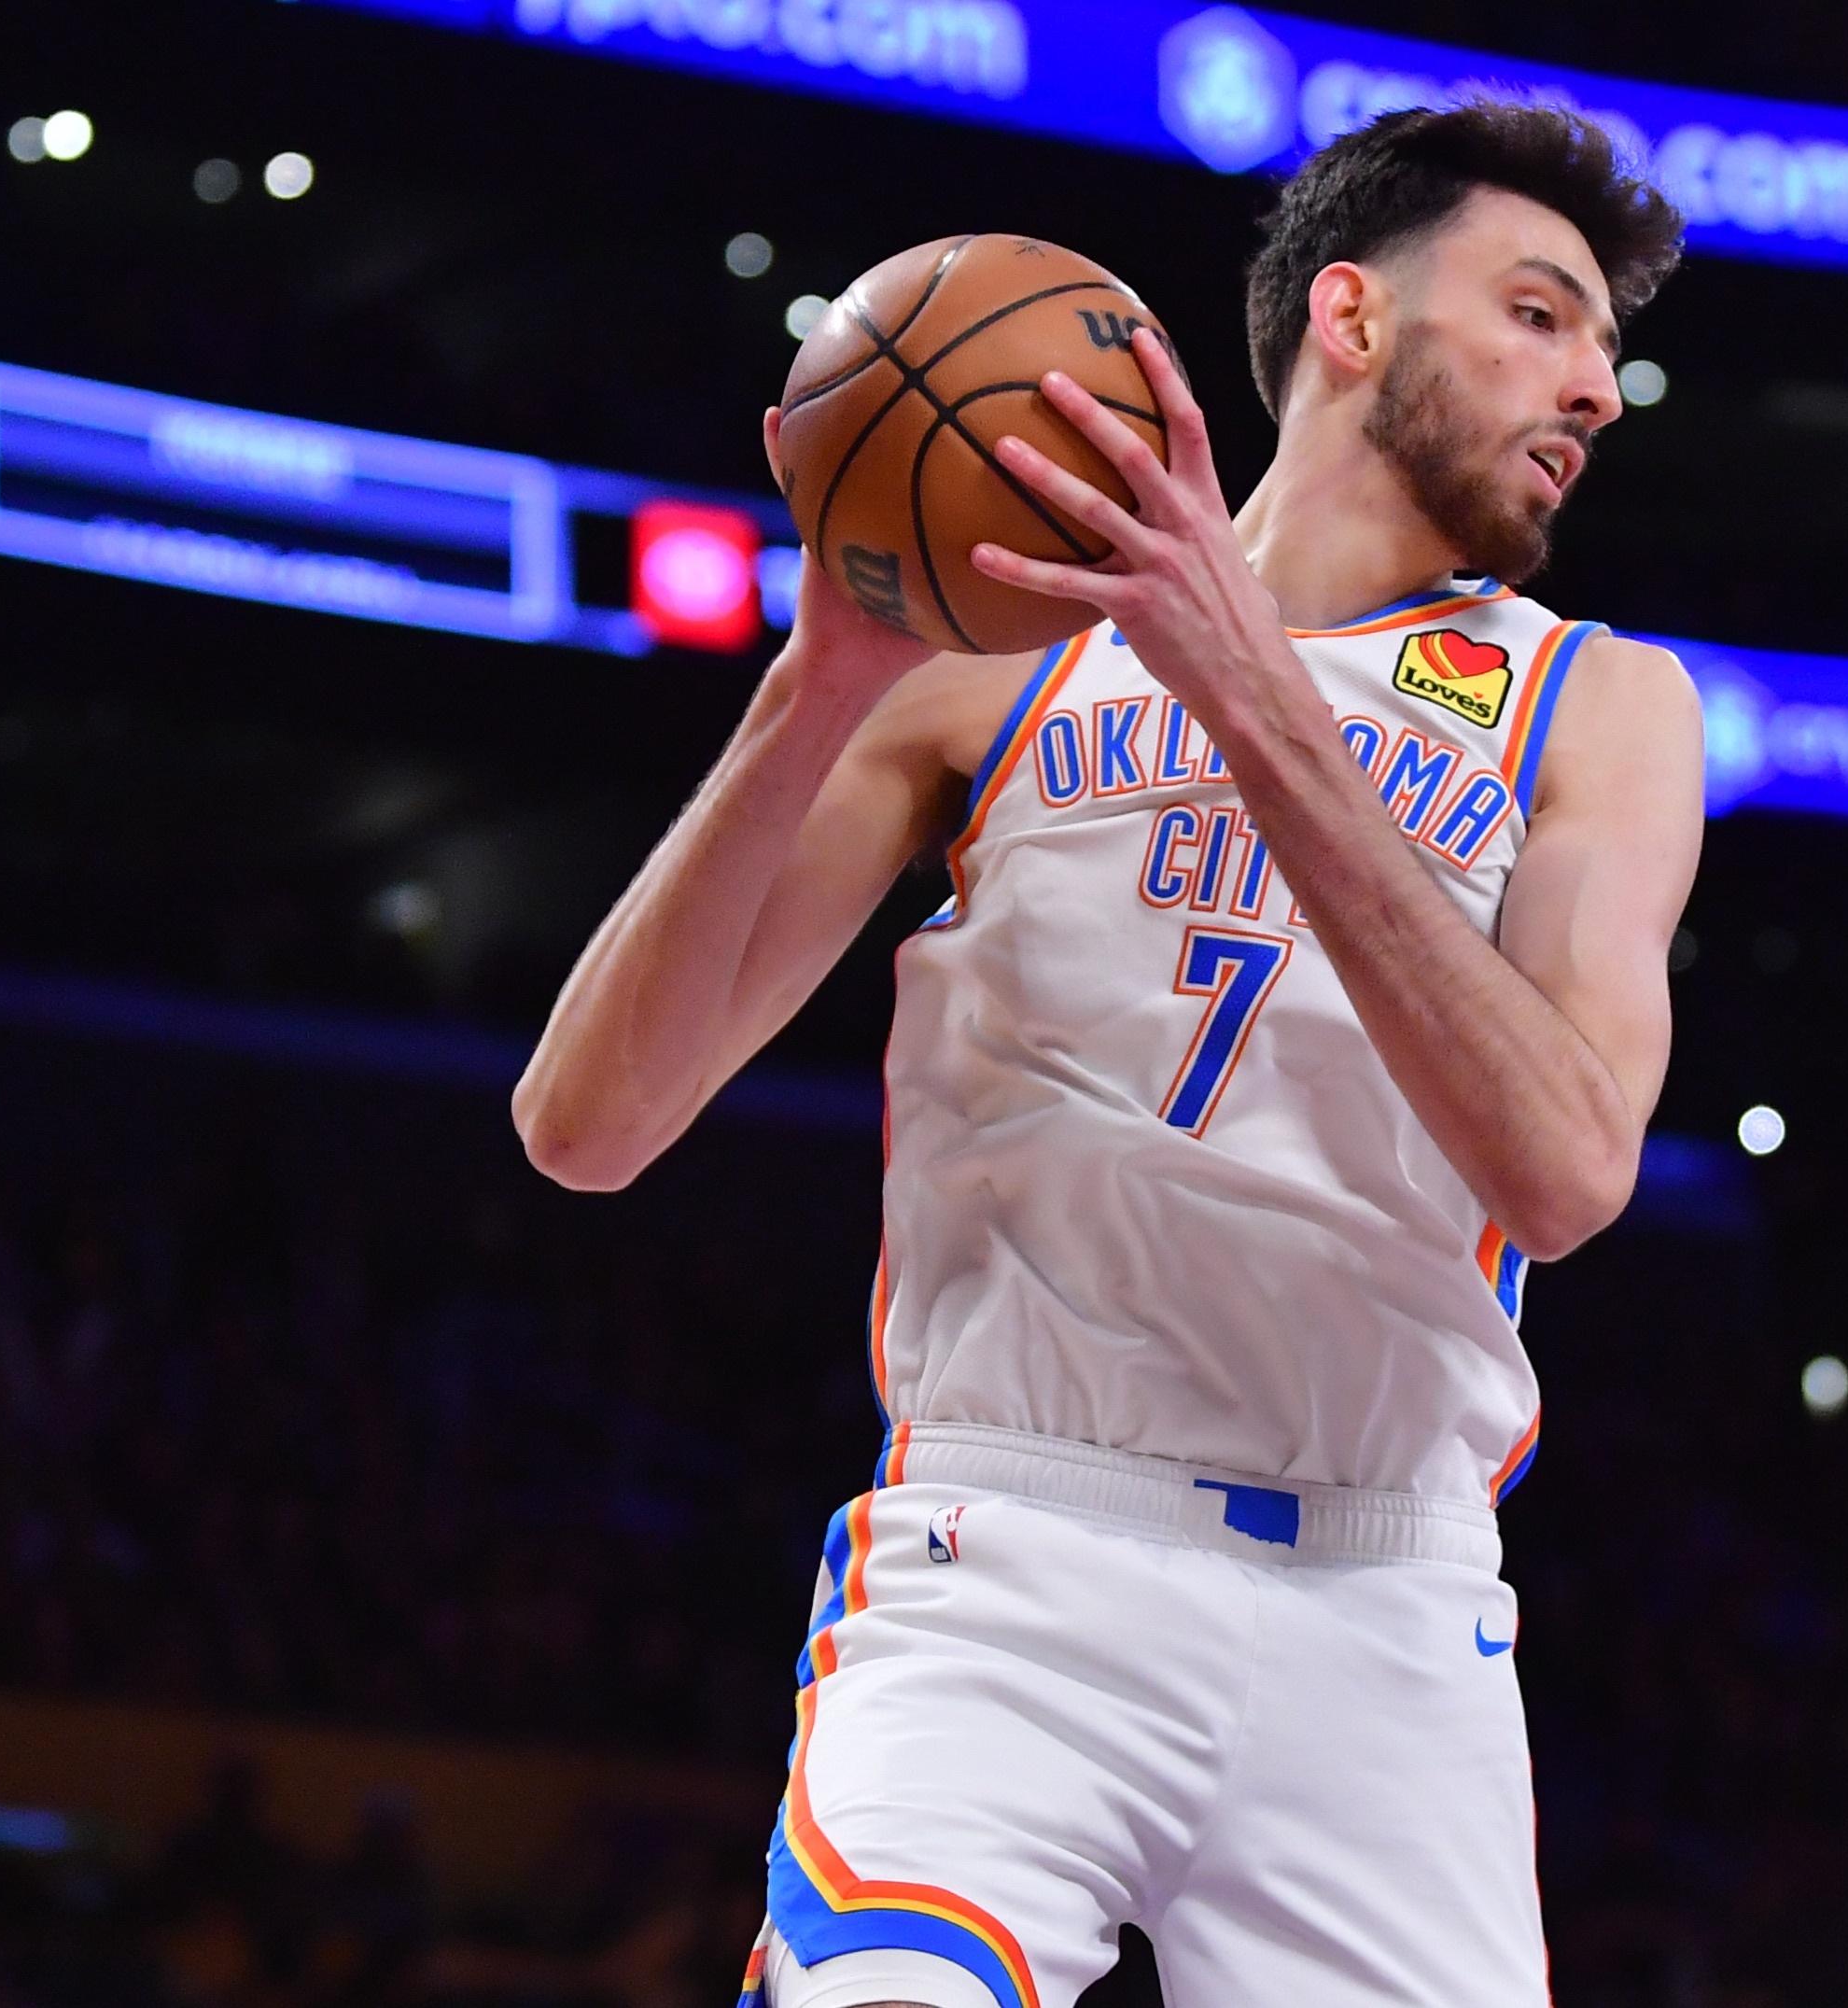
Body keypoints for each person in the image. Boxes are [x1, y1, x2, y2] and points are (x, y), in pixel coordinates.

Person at [515, 102, 1700, 2008]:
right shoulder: (993, 658)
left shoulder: (1597, 705)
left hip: (1385, 1613)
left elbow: (1565, 1170)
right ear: (1352, 318)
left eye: (1605, 345)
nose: (1597, 386)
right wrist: (815, 687)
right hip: (1019, 1552)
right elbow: (586, 1125)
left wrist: (1245, 684)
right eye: (1542, 314)